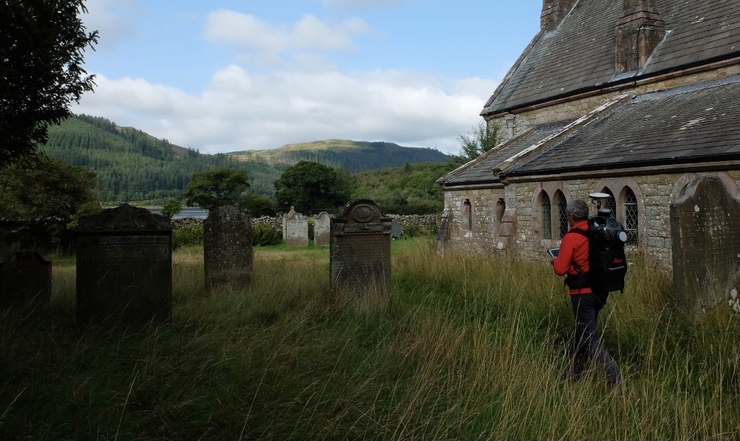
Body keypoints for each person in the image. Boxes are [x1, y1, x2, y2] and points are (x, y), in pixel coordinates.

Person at [551, 199, 622, 386]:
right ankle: (574, 376)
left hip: (582, 294)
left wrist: (554, 261)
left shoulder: (571, 237)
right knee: (582, 334)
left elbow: (560, 269)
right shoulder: (596, 232)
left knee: (589, 339)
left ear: (571, 216)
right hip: (600, 291)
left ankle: (617, 382)